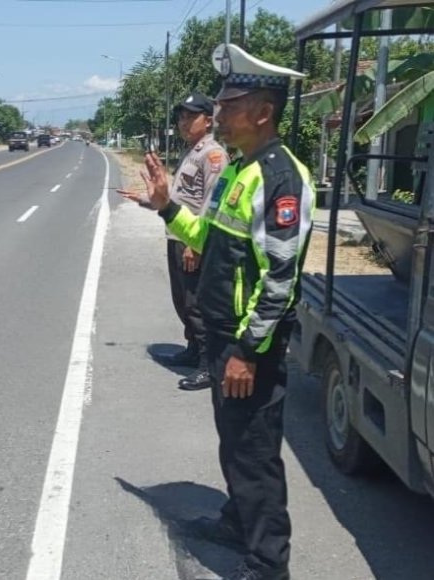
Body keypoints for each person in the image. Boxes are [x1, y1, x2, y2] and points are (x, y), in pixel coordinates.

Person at [135, 44, 313, 580]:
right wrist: (167, 206)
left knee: (254, 454)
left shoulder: (282, 178)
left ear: (262, 111)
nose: (218, 116)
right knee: (235, 443)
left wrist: (246, 351)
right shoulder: (239, 169)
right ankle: (238, 521)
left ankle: (267, 562)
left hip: (246, 346)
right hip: (222, 336)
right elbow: (207, 240)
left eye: (229, 106)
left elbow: (282, 279)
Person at [121, 93, 229, 391]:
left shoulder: (213, 155)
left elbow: (210, 204)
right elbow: (176, 199)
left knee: (196, 304)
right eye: (181, 116)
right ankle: (193, 349)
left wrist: (196, 245)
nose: (183, 122)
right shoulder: (191, 151)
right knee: (182, 300)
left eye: (190, 116)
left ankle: (208, 366)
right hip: (177, 235)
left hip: (193, 239)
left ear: (208, 120)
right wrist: (144, 200)